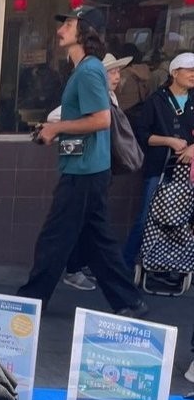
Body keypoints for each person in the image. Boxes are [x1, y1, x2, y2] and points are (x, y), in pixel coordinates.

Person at [17, 6, 147, 317]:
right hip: (86, 169)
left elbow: (101, 120)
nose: (61, 29)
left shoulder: (88, 70)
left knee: (55, 238)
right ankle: (129, 302)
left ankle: (31, 301)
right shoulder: (85, 69)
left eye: (69, 23)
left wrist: (57, 127)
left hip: (85, 172)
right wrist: (52, 130)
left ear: (84, 31)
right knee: (97, 241)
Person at [63, 51, 136, 292]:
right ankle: (121, 292)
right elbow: (57, 116)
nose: (117, 75)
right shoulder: (92, 94)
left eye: (117, 71)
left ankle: (74, 269)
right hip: (85, 169)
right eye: (111, 71)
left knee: (83, 225)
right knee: (87, 227)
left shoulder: (109, 96)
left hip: (99, 168)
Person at [126, 51, 194, 270]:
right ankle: (126, 265)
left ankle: (184, 267)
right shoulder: (157, 100)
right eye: (190, 70)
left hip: (190, 171)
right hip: (160, 168)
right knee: (147, 217)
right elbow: (142, 134)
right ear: (175, 72)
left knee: (187, 220)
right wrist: (169, 141)